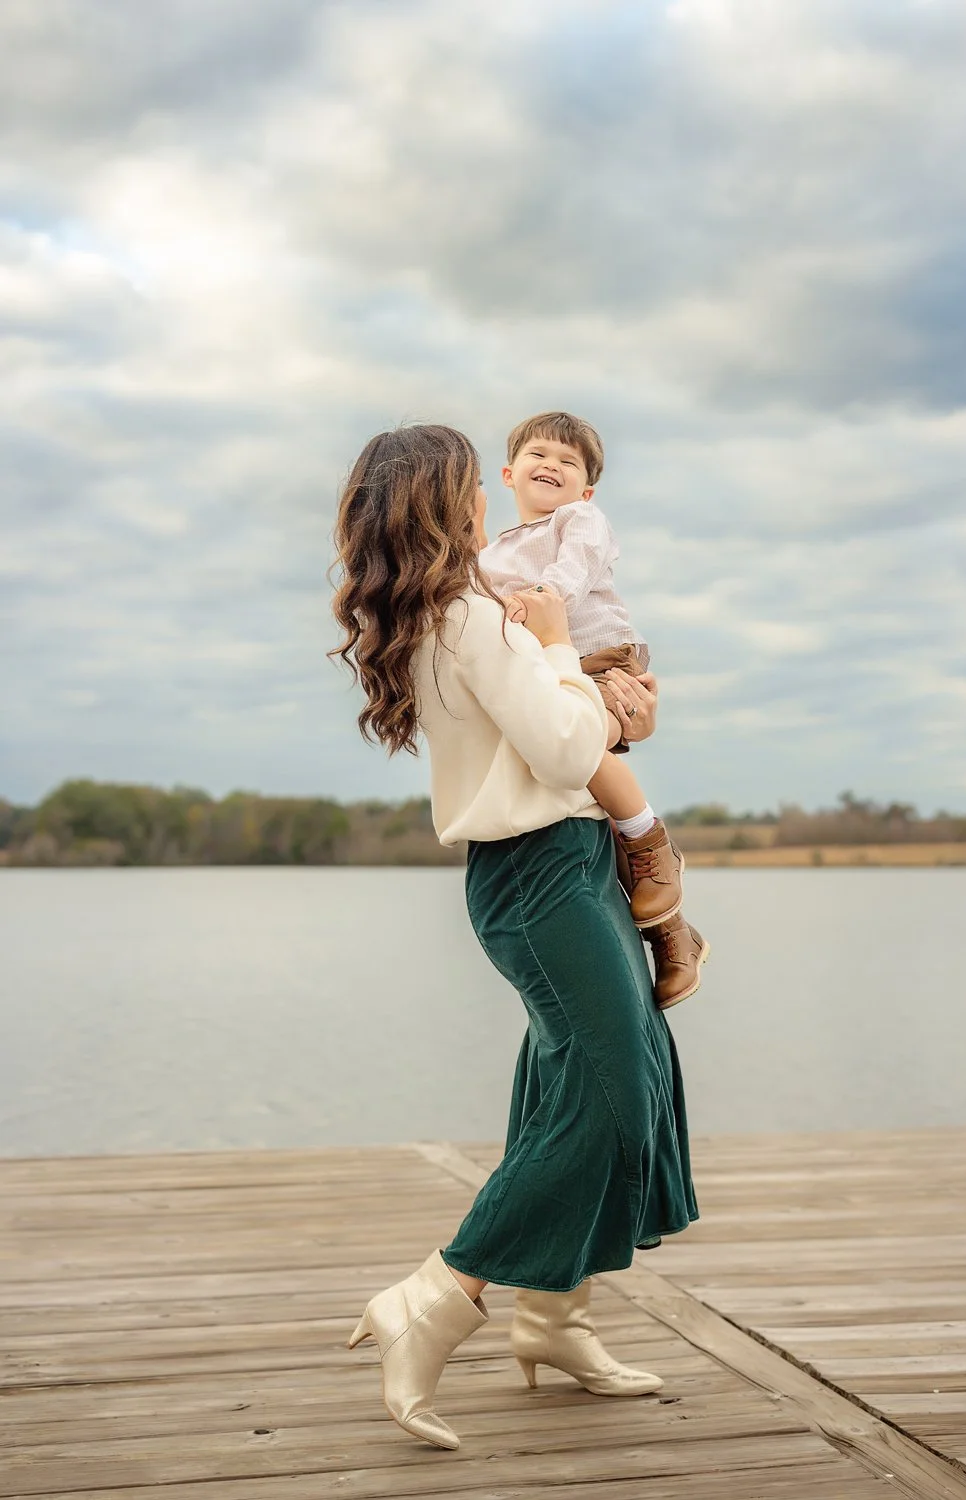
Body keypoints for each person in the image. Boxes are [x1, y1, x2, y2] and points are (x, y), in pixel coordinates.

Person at [331, 424, 698, 1452]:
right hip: (539, 877)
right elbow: (571, 744)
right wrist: (556, 652)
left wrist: (596, 683)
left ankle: (553, 1318)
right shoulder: (475, 621)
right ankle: (438, 1295)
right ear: (455, 501)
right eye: (474, 489)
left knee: (590, 1082)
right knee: (610, 1094)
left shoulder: (465, 611)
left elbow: (588, 733)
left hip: (573, 866)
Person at [479, 410, 708, 1008]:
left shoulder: (580, 520)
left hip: (601, 658)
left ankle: (653, 844)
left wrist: (540, 600)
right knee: (582, 793)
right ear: (509, 473)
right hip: (552, 672)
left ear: (588, 487)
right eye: (539, 455)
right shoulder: (496, 549)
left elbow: (573, 572)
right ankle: (675, 939)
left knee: (585, 760)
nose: (551, 465)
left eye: (568, 461)